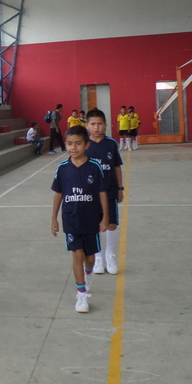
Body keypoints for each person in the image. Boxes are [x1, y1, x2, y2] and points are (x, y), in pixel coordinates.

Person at [50, 125, 109, 313]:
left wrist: (105, 217)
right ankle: (81, 294)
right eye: (69, 144)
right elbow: (58, 194)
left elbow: (102, 193)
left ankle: (88, 273)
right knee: (77, 254)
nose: (73, 147)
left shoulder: (94, 167)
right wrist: (54, 219)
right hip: (71, 220)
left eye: (78, 144)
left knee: (89, 258)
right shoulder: (62, 168)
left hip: (91, 220)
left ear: (86, 145)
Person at [85, 109, 124, 275]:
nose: (96, 127)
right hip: (90, 194)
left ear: (106, 125)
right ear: (87, 126)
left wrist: (120, 188)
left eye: (99, 124)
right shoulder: (84, 145)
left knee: (111, 223)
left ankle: (110, 255)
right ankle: (98, 256)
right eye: (93, 124)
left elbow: (117, 167)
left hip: (110, 191)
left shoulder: (111, 144)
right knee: (94, 224)